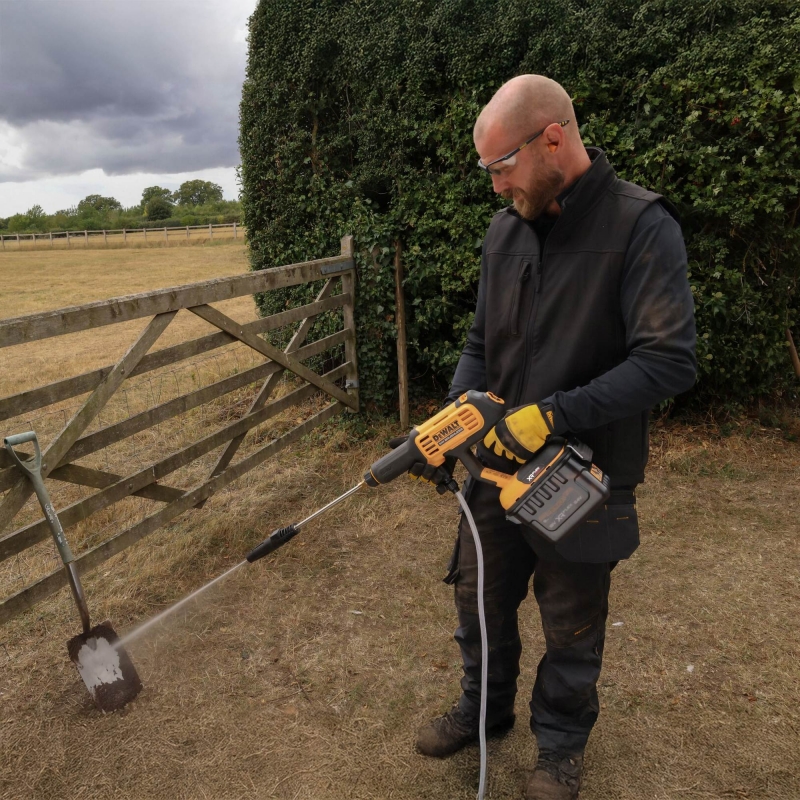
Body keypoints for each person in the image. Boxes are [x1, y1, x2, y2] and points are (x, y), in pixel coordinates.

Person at [414, 75, 697, 799]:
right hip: (492, 469)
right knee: (479, 601)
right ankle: (485, 712)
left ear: (552, 138)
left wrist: (552, 415)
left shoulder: (641, 225)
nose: (495, 185)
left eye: (500, 165)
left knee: (571, 622)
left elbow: (667, 361)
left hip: (582, 472)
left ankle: (561, 747)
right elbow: (482, 343)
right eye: (487, 171)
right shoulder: (505, 230)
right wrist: (458, 414)